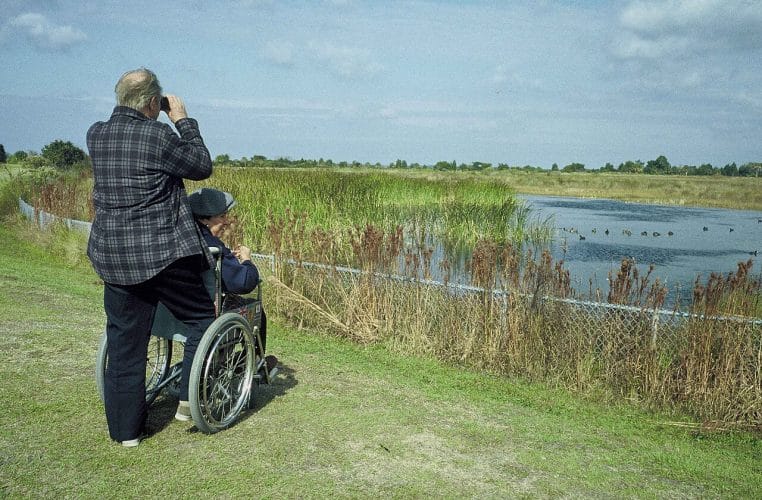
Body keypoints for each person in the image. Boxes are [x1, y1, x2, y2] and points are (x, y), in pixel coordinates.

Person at [87, 68, 215, 447]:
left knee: (126, 343)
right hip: (158, 255)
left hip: (113, 258)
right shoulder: (157, 134)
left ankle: (126, 435)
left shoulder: (97, 134)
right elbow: (201, 165)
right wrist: (182, 120)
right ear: (150, 103)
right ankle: (189, 402)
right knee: (201, 318)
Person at [187, 188, 276, 371]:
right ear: (204, 219)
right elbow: (243, 282)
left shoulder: (182, 238)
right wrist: (246, 260)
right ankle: (254, 362)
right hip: (209, 311)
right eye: (222, 216)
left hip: (177, 310)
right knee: (254, 307)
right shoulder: (212, 247)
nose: (227, 221)